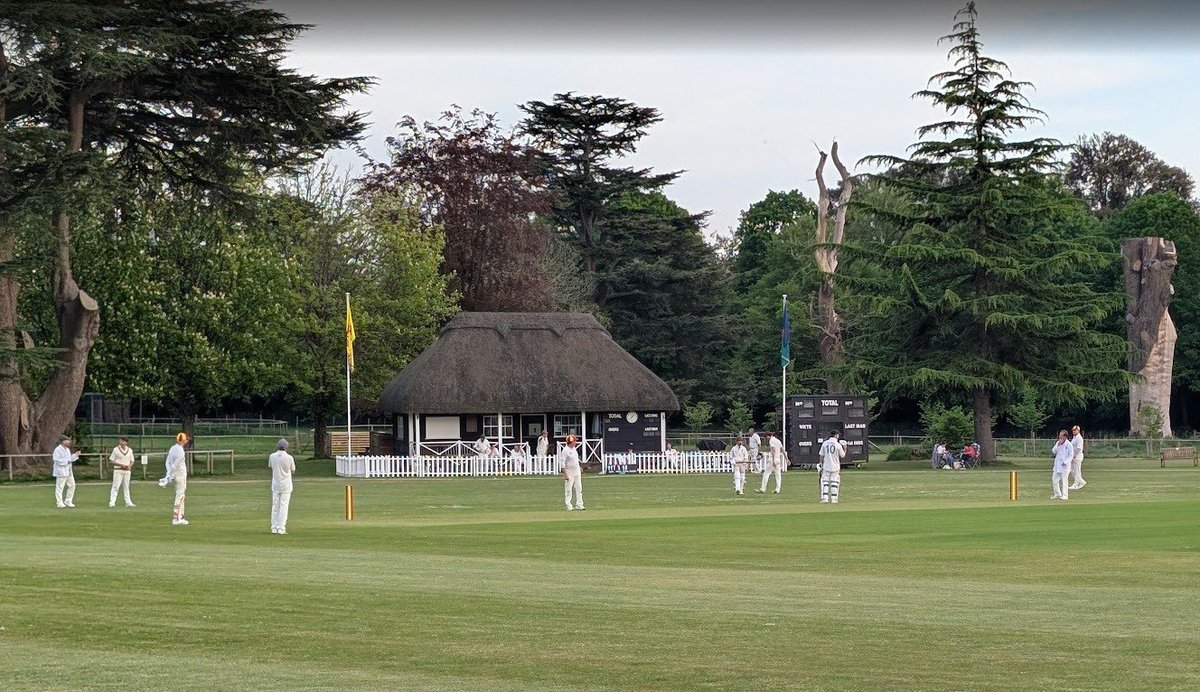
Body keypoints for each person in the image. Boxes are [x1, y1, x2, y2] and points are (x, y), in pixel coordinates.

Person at [158, 432, 190, 525]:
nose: (187, 441)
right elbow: (175, 465)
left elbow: (168, 463)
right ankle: (176, 518)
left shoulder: (172, 448)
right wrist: (170, 475)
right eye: (186, 439)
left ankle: (180, 516)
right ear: (184, 440)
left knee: (180, 495)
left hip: (175, 475)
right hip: (179, 475)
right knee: (180, 496)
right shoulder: (181, 451)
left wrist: (169, 474)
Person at [268, 438, 296, 535]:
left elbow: (271, 467)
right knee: (283, 506)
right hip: (286, 485)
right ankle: (281, 528)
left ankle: (274, 527)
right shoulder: (289, 458)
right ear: (286, 447)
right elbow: (293, 470)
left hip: (275, 484)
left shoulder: (272, 456)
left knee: (275, 506)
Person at [52, 435, 80, 509]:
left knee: (72, 485)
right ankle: (59, 503)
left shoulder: (67, 450)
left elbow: (69, 459)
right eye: (67, 440)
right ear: (63, 441)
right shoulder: (57, 450)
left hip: (68, 471)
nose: (69, 442)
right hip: (61, 471)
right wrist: (66, 462)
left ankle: (68, 501)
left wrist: (75, 455)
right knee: (60, 487)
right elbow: (56, 460)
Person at [819, 430, 847, 503]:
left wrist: (821, 463)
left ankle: (825, 498)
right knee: (834, 481)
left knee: (825, 481)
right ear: (836, 435)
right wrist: (845, 447)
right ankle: (834, 498)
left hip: (826, 465)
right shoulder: (837, 445)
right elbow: (843, 455)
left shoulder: (825, 443)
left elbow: (821, 454)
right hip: (835, 465)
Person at [108, 436, 136, 508]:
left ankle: (128, 502)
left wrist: (129, 466)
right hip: (118, 470)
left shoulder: (130, 450)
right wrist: (121, 465)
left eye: (123, 441)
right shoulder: (116, 449)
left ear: (126, 442)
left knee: (126, 487)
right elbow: (112, 460)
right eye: (120, 441)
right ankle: (112, 502)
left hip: (127, 471)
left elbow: (132, 460)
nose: (121, 442)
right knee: (115, 486)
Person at [559, 434, 584, 511]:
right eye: (574, 441)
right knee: (568, 489)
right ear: (570, 442)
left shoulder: (574, 449)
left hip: (576, 471)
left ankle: (579, 504)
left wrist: (579, 467)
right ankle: (568, 505)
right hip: (569, 472)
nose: (576, 442)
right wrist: (565, 474)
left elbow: (575, 460)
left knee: (579, 488)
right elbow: (562, 464)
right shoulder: (565, 450)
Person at [1051, 429, 1073, 501]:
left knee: (1064, 481)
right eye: (1059, 435)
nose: (1059, 437)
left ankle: (1065, 496)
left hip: (1065, 467)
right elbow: (1053, 451)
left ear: (1065, 437)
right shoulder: (1058, 443)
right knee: (1054, 480)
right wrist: (1058, 444)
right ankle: (1057, 494)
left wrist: (1066, 462)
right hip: (1057, 465)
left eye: (1061, 436)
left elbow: (1071, 455)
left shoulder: (1069, 444)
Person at [1068, 425, 1086, 489]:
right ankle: (1082, 482)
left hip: (1077, 456)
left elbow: (1078, 449)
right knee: (1072, 470)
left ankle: (1075, 484)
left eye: (1074, 430)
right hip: (1073, 456)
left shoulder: (1079, 438)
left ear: (1078, 430)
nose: (1073, 431)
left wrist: (1074, 456)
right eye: (1073, 430)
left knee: (1077, 471)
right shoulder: (1075, 438)